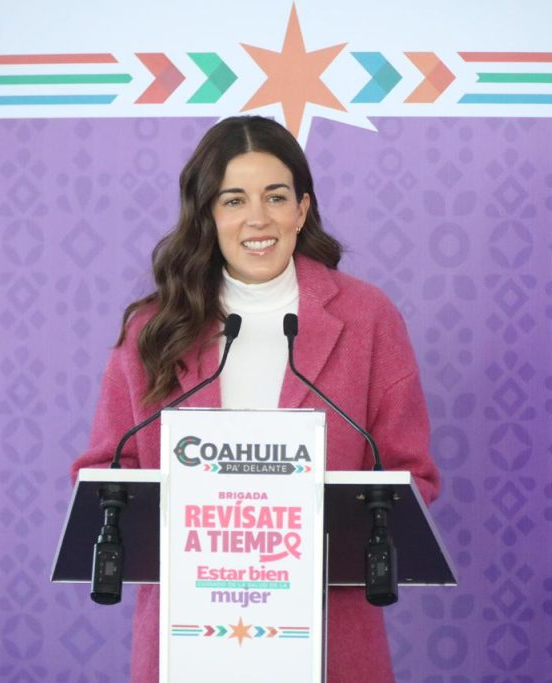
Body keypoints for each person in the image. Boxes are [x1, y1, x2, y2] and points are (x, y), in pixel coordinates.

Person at [70, 116, 440, 682]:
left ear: (302, 209)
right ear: (207, 215)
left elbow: (411, 475)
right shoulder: (152, 330)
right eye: (234, 200)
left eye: (276, 196)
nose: (258, 218)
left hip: (329, 634)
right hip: (190, 637)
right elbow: (103, 476)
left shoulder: (369, 318)